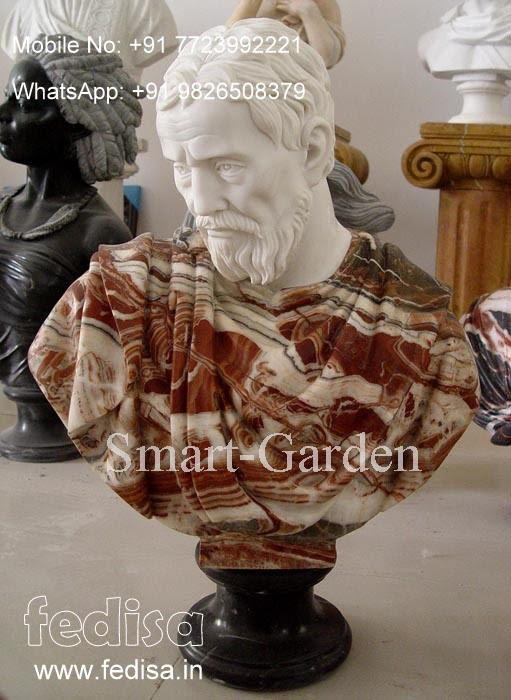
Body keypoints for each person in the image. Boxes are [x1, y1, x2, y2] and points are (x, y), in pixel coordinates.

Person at [29, 20, 479, 568]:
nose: (201, 202)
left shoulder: (423, 338)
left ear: (313, 150)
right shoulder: (117, 301)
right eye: (182, 168)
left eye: (226, 165)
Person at [0, 35, 142, 459]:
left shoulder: (100, 232)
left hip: (70, 428)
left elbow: (122, 352)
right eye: (8, 98)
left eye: (27, 105)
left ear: (79, 119)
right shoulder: (4, 209)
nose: (4, 113)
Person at [227, 0, 345, 68]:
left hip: (299, 81)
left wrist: (308, 11)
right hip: (253, 74)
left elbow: (325, 58)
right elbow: (226, 42)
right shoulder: (257, 3)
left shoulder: (323, 4)